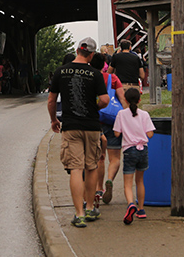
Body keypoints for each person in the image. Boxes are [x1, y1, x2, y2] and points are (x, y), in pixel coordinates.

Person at [47, 37, 109, 228]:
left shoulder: (60, 71)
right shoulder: (95, 73)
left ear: (76, 50)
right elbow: (105, 100)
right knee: (91, 167)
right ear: (91, 54)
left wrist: (54, 120)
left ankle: (79, 214)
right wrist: (94, 108)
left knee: (76, 168)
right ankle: (90, 208)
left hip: (71, 126)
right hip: (91, 126)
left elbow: (51, 100)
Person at [90, 52, 127, 207]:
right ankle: (109, 180)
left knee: (99, 157)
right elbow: (123, 99)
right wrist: (128, 118)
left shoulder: (89, 78)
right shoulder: (112, 79)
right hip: (113, 120)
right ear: (105, 63)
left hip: (95, 120)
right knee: (115, 157)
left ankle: (98, 189)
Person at [114, 88, 155, 224]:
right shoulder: (144, 114)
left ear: (125, 100)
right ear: (139, 100)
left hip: (129, 150)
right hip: (143, 150)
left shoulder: (121, 114)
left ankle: (131, 204)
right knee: (140, 181)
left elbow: (116, 133)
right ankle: (141, 210)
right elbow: (150, 134)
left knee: (127, 183)